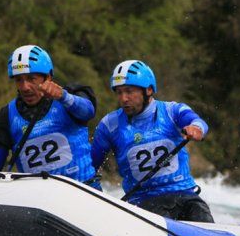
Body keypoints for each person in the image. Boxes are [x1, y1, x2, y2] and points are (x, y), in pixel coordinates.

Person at [91, 60, 214, 222]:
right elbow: (90, 167)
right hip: (143, 204)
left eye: (129, 91)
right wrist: (98, 198)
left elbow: (198, 122)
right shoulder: (109, 125)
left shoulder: (172, 110)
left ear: (148, 90)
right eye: (119, 92)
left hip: (185, 196)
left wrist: (195, 129)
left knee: (200, 214)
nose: (123, 98)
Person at [0, 44, 100, 189]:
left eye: (32, 78)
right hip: (37, 197)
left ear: (48, 77)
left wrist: (64, 97)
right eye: (19, 80)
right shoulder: (7, 115)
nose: (25, 87)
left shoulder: (70, 98)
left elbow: (88, 112)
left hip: (82, 189)